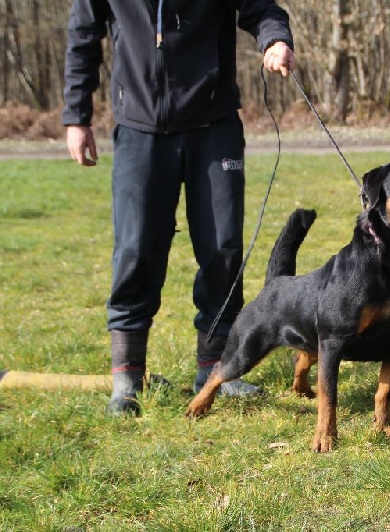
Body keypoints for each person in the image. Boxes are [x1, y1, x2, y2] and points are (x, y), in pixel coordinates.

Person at [62, 1, 295, 415]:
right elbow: (83, 35)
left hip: (214, 124)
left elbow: (261, 8)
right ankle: (127, 377)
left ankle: (217, 370)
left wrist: (275, 40)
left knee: (223, 248)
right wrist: (76, 117)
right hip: (139, 126)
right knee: (135, 250)